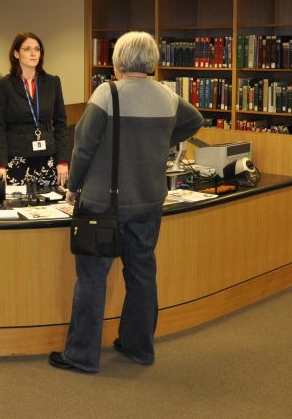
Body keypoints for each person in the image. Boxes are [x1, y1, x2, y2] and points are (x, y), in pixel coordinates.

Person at [49, 31, 203, 374]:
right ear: (152, 62)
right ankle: (139, 347)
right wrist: (160, 139)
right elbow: (195, 121)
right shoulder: (167, 95)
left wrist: (73, 186)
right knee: (142, 274)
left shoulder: (108, 92)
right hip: (148, 202)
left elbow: (84, 144)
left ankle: (82, 356)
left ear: (118, 61)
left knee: (91, 278)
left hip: (103, 205)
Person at [0, 31, 69, 189]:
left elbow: (61, 124)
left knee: (48, 208)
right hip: (16, 158)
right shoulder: (3, 85)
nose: (33, 53)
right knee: (16, 207)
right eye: (27, 49)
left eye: (37, 49)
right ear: (16, 54)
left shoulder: (52, 82)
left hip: (48, 158)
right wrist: (0, 165)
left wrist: (63, 161)